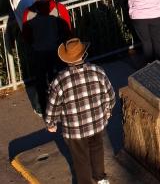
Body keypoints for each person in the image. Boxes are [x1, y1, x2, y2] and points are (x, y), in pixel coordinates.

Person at [43, 38, 115, 184]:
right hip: (96, 123)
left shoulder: (60, 80)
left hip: (74, 130)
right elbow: (110, 95)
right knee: (97, 149)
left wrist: (51, 123)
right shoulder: (98, 71)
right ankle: (101, 178)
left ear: (66, 60)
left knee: (80, 158)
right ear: (84, 54)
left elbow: (52, 106)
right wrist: (107, 110)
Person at [22, 0, 74, 114]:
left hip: (38, 51)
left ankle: (42, 107)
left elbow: (26, 34)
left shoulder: (28, 12)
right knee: (60, 77)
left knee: (41, 80)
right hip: (57, 50)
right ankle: (63, 103)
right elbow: (68, 29)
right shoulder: (59, 8)